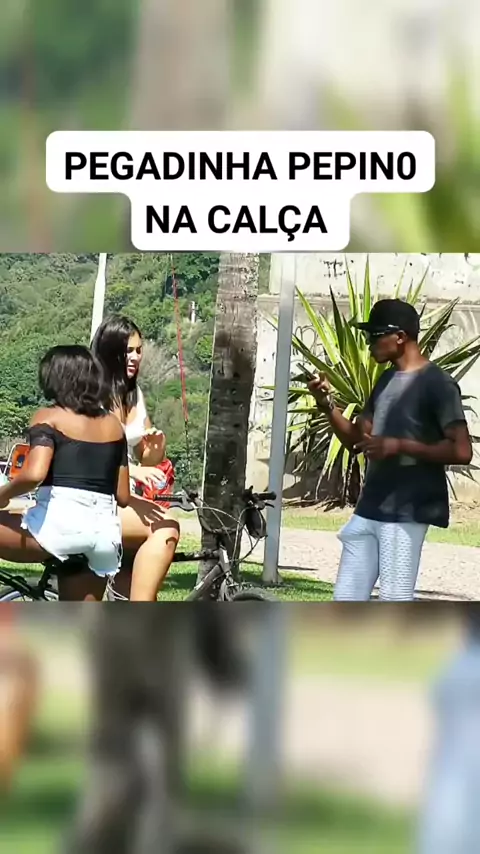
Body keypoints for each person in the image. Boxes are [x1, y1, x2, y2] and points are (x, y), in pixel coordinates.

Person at [307, 299, 472, 601]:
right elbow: (357, 440)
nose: (369, 344)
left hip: (406, 512)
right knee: (345, 601)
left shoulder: (438, 385)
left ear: (400, 336)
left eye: (375, 336)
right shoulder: (385, 381)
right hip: (369, 509)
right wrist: (327, 405)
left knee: (395, 601)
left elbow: (462, 451)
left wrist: (398, 446)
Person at [0, 345, 130, 601]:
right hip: (103, 538)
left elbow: (34, 474)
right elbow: (123, 496)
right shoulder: (115, 426)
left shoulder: (49, 417)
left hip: (57, 530)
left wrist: (2, 496)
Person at [91, 315, 180, 601]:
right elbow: (87, 451)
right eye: (127, 350)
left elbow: (146, 457)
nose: (135, 357)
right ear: (110, 351)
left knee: (129, 585)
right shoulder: (91, 394)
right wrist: (133, 471)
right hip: (94, 497)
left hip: (124, 498)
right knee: (166, 526)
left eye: (138, 350)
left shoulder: (133, 394)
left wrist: (154, 450)